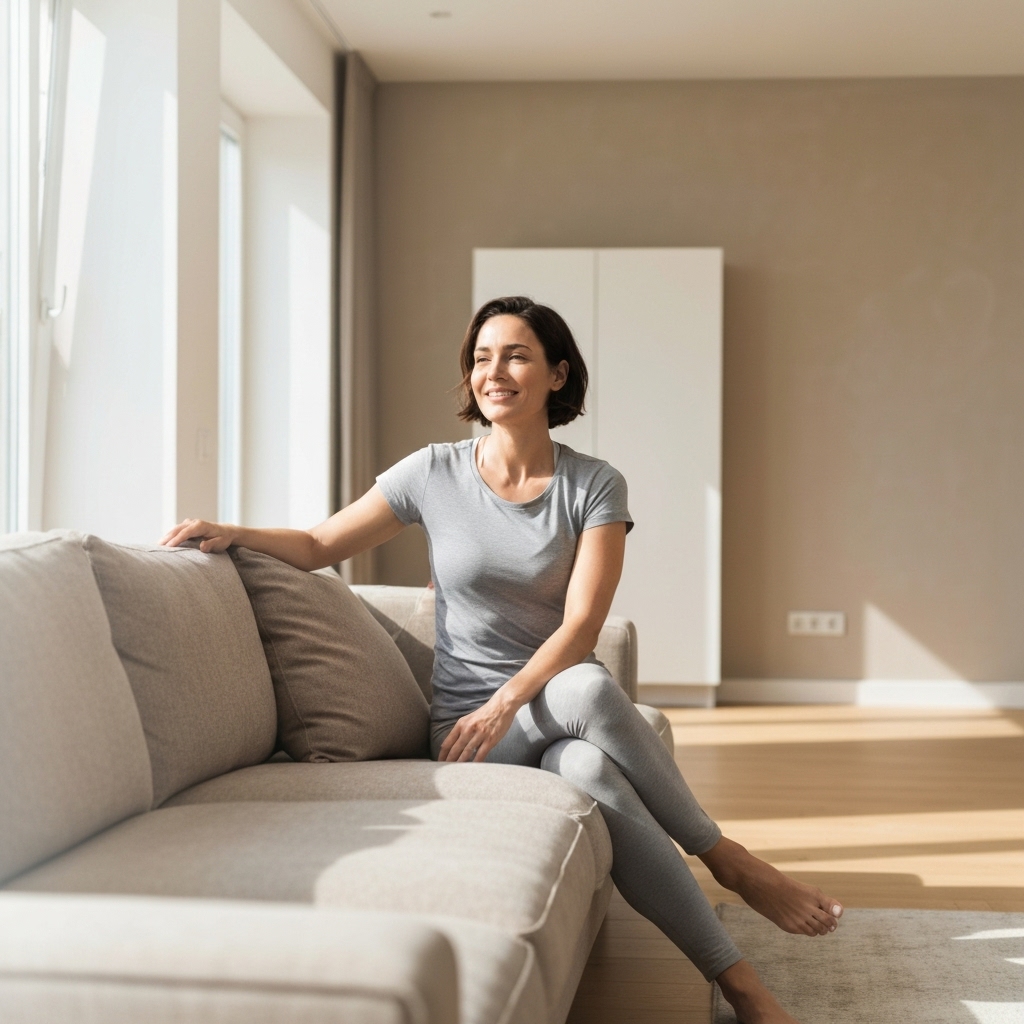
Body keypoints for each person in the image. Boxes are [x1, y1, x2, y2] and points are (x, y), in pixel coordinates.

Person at [162, 295, 842, 1024]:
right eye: (482, 358)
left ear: (557, 374)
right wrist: (229, 530)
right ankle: (728, 859)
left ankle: (741, 987)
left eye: (516, 355)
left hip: (540, 706)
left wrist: (510, 698)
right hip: (468, 730)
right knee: (584, 690)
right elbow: (321, 546)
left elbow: (582, 624)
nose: (495, 372)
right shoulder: (433, 472)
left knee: (589, 768)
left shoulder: (594, 485)